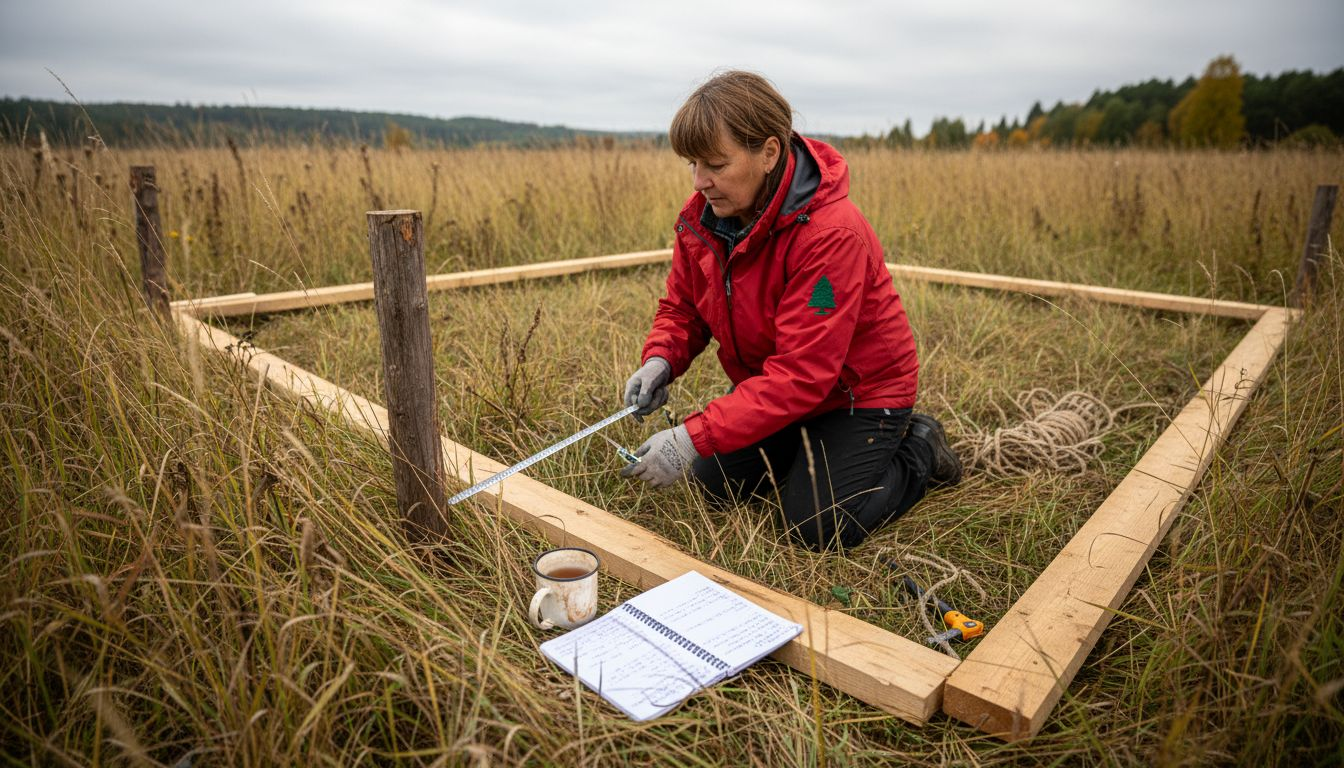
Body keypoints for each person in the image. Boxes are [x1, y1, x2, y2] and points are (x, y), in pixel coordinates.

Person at [620, 71, 961, 551]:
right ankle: (805, 456)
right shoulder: (703, 216)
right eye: (693, 163)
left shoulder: (830, 235)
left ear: (770, 153)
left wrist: (691, 436)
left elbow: (804, 374)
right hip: (776, 388)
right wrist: (662, 359)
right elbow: (683, 307)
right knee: (713, 485)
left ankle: (920, 447)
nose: (700, 182)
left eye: (715, 163)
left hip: (857, 395)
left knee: (814, 525)